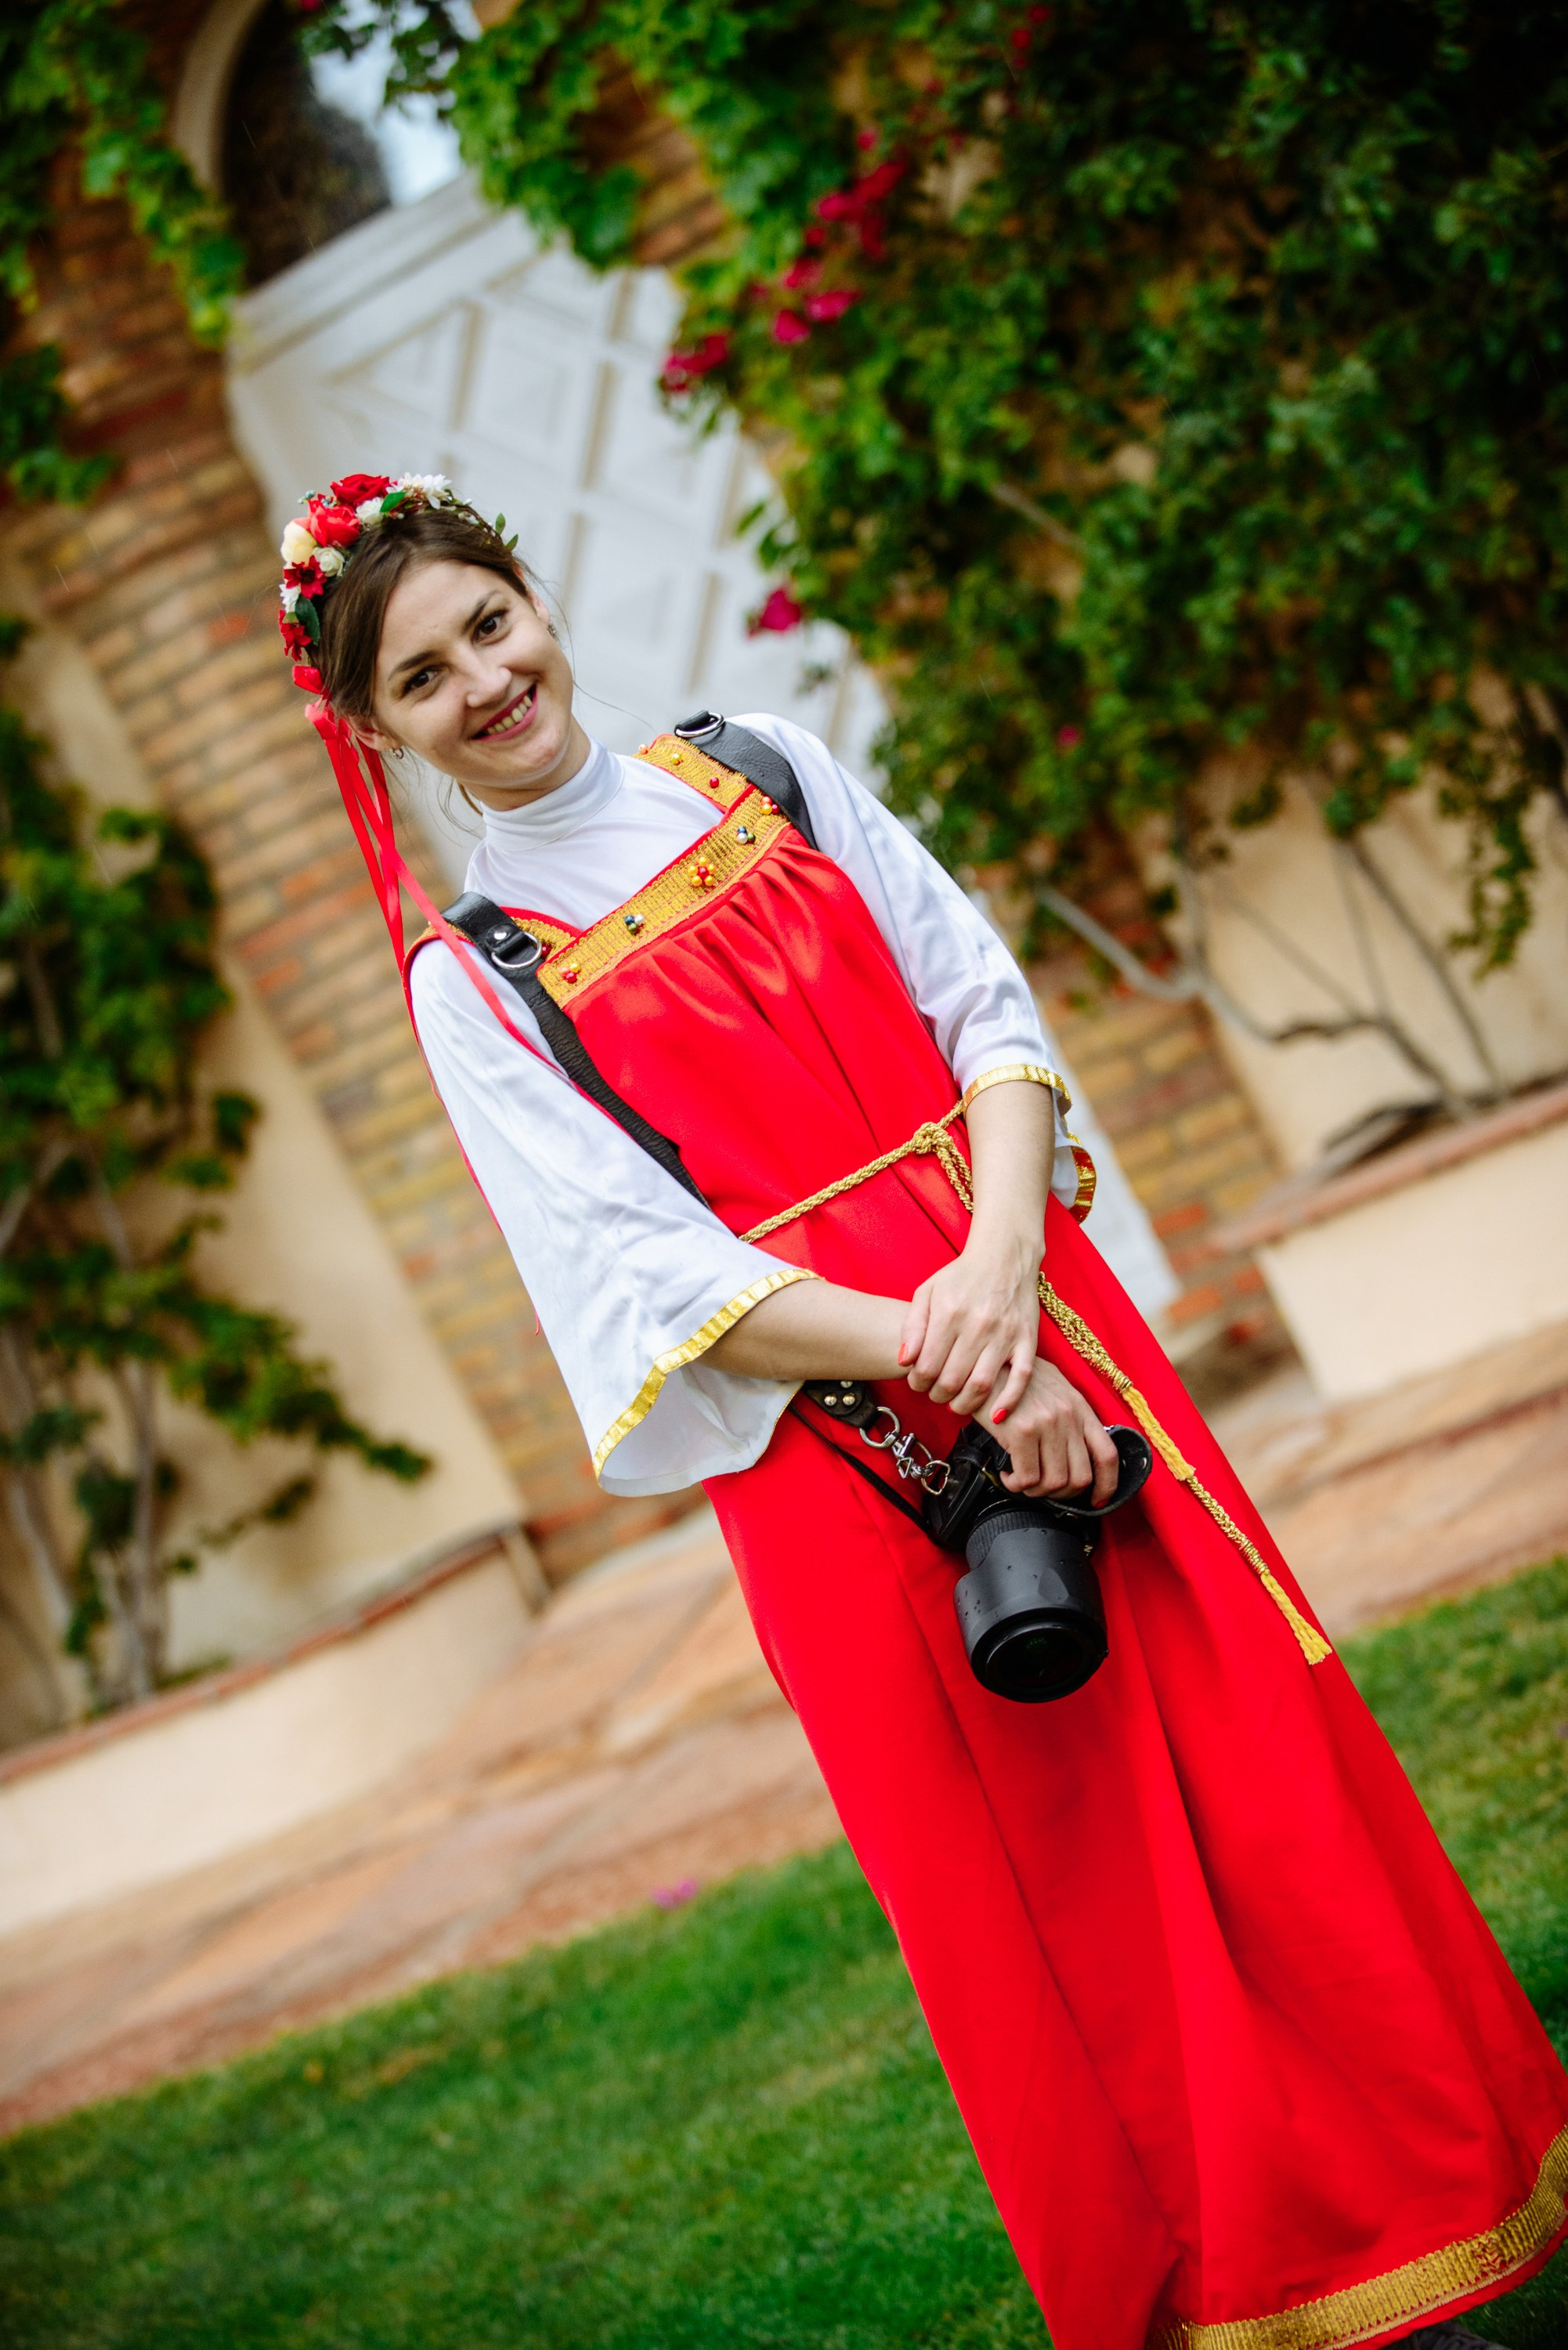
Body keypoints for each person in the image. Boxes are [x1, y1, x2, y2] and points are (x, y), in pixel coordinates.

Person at [281, 471, 1568, 2350]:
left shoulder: (764, 770)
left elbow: (984, 1007)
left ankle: (1441, 2177)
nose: (484, 680)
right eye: (421, 676)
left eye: (489, 623)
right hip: (849, 1459)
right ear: (376, 732)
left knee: (1251, 1770)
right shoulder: (476, 985)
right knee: (1055, 1883)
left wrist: (994, 1276)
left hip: (1034, 1311)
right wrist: (947, 1350)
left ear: (536, 604)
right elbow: (653, 1281)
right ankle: (1238, 2284)